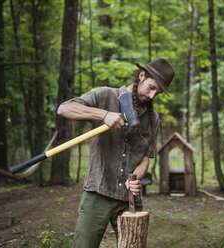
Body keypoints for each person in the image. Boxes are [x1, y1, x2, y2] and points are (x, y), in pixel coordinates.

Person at [57, 57, 175, 248]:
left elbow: (145, 159)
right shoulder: (105, 96)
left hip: (128, 199)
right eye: (152, 88)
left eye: (158, 93)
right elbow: (64, 109)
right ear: (141, 75)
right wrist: (103, 115)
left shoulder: (153, 118)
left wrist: (135, 178)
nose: (153, 96)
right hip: (98, 192)